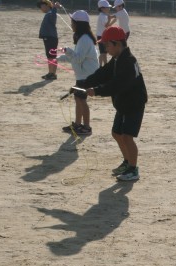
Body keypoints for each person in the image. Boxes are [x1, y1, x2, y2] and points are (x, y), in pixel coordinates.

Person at [78, 26, 148, 182]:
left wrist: (97, 91)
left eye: (107, 45)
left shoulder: (128, 61)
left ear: (117, 43)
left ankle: (133, 169)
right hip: (123, 103)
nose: (105, 48)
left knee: (127, 137)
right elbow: (103, 73)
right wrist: (84, 83)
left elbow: (117, 85)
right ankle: (127, 162)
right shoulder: (117, 59)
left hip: (134, 104)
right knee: (116, 133)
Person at [57, 10, 99, 136]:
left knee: (81, 99)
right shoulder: (82, 38)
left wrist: (67, 50)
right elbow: (75, 57)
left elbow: (78, 58)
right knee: (78, 98)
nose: (71, 24)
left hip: (87, 75)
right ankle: (77, 124)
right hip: (83, 74)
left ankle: (86, 127)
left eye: (73, 22)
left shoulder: (85, 39)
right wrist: (57, 58)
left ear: (78, 24)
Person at [37, 0, 60, 80]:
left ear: (47, 5)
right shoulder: (49, 13)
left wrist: (54, 8)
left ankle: (52, 73)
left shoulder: (51, 13)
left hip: (51, 38)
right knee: (50, 56)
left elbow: (53, 18)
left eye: (42, 6)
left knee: (51, 56)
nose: (41, 8)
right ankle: (51, 73)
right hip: (49, 38)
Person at [96, 0, 116, 67]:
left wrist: (112, 19)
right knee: (103, 53)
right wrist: (111, 20)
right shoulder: (102, 16)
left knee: (103, 52)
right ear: (102, 8)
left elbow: (108, 25)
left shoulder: (104, 15)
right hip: (101, 36)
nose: (109, 9)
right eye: (107, 7)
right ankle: (104, 65)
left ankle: (100, 65)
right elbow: (107, 26)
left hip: (103, 35)